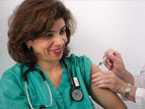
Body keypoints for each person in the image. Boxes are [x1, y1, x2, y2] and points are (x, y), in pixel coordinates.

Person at [0, 0, 126, 109]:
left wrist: (124, 83)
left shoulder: (81, 67)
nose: (60, 41)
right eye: (48, 35)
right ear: (28, 40)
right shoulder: (13, 81)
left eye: (62, 31)